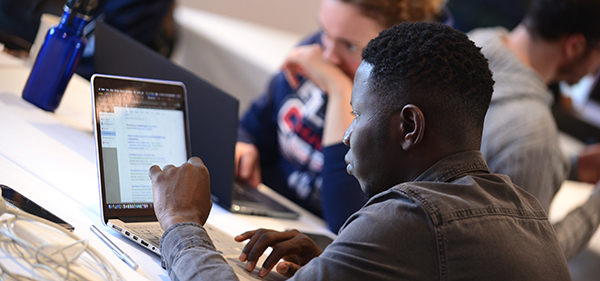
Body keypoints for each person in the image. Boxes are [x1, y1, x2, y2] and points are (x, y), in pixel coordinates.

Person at [150, 22, 572, 280]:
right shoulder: (528, 212)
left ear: (409, 126)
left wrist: (181, 223)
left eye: (357, 114)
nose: (347, 135)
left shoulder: (409, 216)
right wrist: (334, 263)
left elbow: (419, 237)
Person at [235, 0, 449, 232]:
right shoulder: (322, 49)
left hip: (324, 248)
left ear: (402, 50)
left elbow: (347, 221)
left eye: (349, 46)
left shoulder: (409, 116)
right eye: (324, 31)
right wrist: (242, 144)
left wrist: (339, 91)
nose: (327, 56)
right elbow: (254, 127)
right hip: (268, 214)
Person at [468, 0, 600, 260]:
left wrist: (570, 166)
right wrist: (596, 206)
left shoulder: (475, 42)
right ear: (575, 46)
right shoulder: (534, 133)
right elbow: (530, 263)